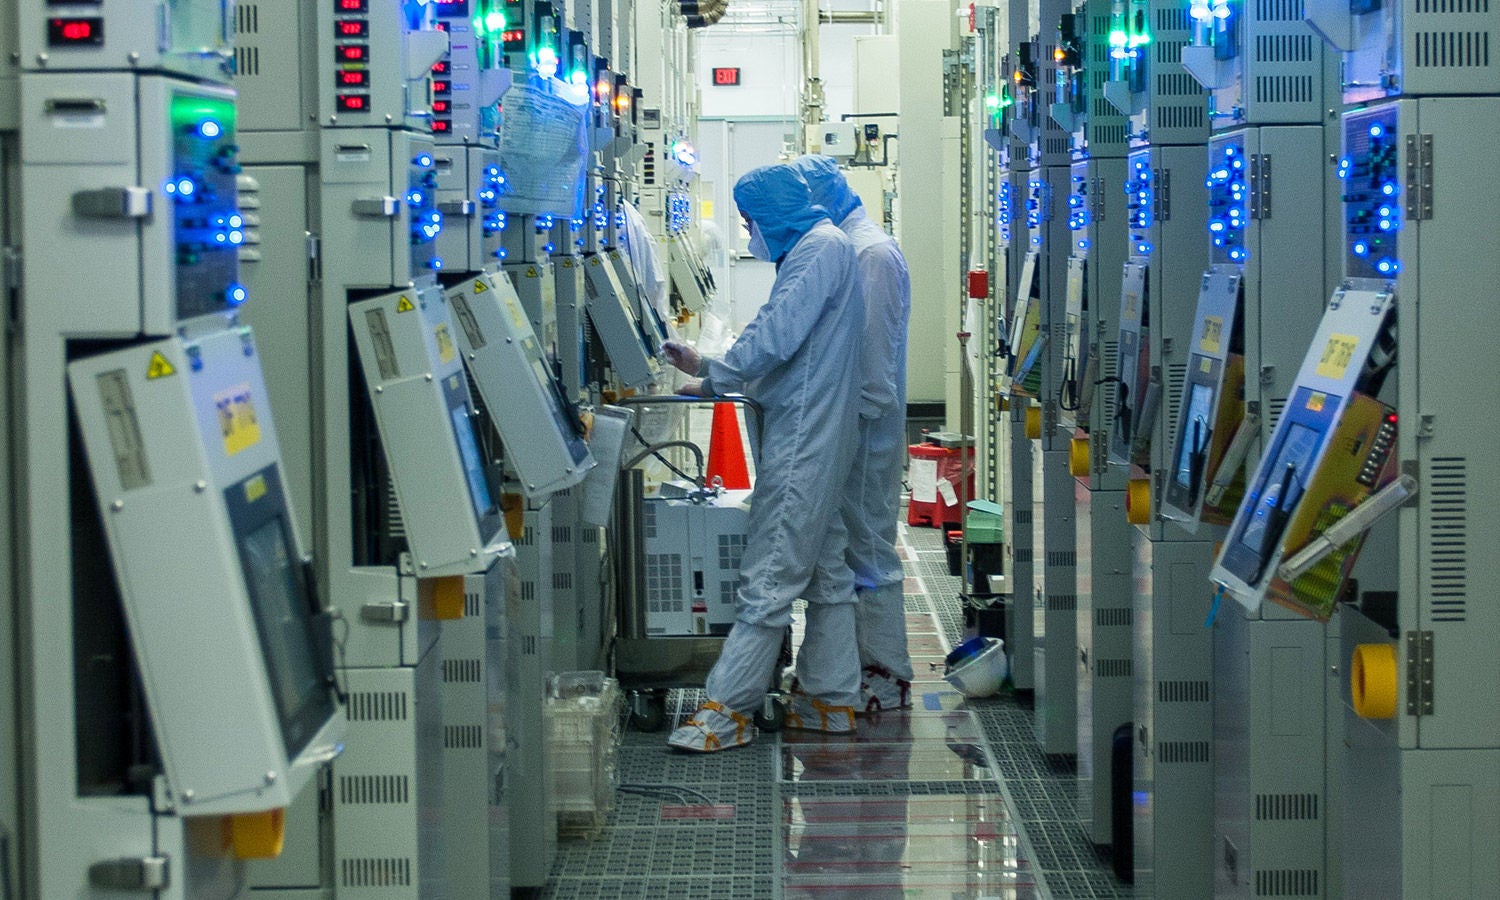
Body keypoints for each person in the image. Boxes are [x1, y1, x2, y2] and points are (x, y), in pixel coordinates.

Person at [660, 163, 865, 752]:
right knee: (825, 567)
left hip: (804, 433)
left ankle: (729, 710)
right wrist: (709, 367)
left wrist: (713, 374)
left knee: (770, 570)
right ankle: (829, 698)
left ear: (774, 211)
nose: (748, 230)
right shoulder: (820, 247)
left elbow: (776, 334)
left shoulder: (819, 249)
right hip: (816, 425)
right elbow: (783, 334)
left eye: (750, 219)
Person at [792, 155, 914, 713]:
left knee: (870, 554)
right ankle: (848, 669)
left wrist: (837, 433)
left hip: (865, 438)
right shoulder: (845, 250)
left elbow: (873, 373)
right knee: (847, 553)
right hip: (844, 431)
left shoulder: (872, 255)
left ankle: (885, 675)